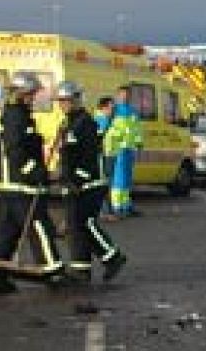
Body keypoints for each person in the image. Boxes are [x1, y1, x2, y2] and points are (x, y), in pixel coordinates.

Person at [0, 73, 61, 294]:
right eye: (31, 94)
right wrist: (35, 172)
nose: (33, 98)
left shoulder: (16, 115)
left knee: (7, 231)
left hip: (10, 185)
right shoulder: (15, 117)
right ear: (21, 93)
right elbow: (15, 151)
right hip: (19, 185)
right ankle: (53, 270)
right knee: (38, 225)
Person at [54, 82, 126, 282]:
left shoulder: (85, 123)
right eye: (61, 101)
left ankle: (113, 257)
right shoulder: (69, 123)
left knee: (85, 224)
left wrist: (77, 180)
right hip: (76, 184)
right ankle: (81, 268)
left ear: (77, 100)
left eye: (67, 101)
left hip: (90, 184)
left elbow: (88, 158)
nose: (63, 105)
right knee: (76, 227)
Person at [103, 85, 143, 216]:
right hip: (117, 149)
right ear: (117, 96)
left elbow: (137, 129)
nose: (125, 97)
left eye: (127, 95)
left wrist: (139, 143)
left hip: (129, 149)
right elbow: (105, 127)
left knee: (127, 179)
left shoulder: (133, 111)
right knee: (118, 179)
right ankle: (116, 207)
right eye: (122, 94)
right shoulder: (113, 110)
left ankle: (125, 206)